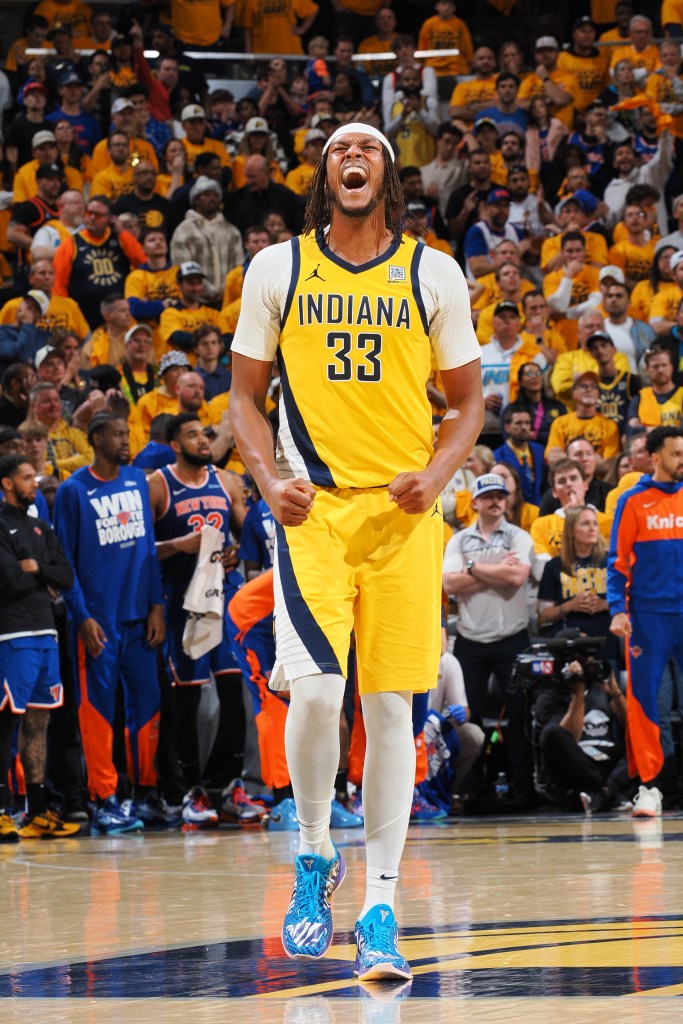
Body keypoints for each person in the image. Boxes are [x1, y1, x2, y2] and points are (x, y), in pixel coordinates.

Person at [229, 122, 483, 978]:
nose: (352, 157)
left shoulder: (430, 272)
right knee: (313, 694)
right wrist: (268, 482)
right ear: (323, 176)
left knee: (389, 714)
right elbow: (243, 397)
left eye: (367, 148)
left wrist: (438, 475)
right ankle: (312, 852)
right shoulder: (279, 267)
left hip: (404, 518)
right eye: (339, 149)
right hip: (315, 513)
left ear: (388, 177)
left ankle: (380, 906)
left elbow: (467, 403)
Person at [53, 412, 167, 833]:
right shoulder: (72, 490)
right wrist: (82, 617)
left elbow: (149, 548)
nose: (125, 439)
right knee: (98, 713)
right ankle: (104, 798)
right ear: (96, 439)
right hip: (98, 622)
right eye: (117, 434)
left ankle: (144, 793)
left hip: (140, 616)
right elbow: (64, 560)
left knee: (148, 705)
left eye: (126, 433)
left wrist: (157, 605)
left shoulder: (138, 480)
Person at [147, 412, 248, 828]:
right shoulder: (158, 484)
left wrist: (237, 552)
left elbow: (248, 536)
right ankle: (192, 791)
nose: (203, 440)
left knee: (234, 691)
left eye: (204, 434)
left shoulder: (226, 481)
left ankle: (228, 785)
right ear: (175, 445)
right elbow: (141, 549)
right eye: (192, 435)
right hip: (182, 604)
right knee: (186, 699)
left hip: (224, 598)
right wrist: (178, 545)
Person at [443, 473, 535, 802]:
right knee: (469, 717)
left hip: (512, 637)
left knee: (520, 716)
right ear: (475, 502)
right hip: (471, 640)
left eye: (500, 495)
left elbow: (517, 577)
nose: (495, 501)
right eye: (488, 496)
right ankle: (470, 791)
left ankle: (523, 790)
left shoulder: (519, 537)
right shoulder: (459, 540)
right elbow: (450, 584)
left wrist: (472, 567)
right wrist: (497, 571)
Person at [0, 454, 78, 842]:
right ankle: (1, 810)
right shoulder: (1, 524)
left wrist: (37, 569)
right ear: (7, 483)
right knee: (6, 722)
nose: (35, 482)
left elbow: (66, 575)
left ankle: (37, 811)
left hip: (46, 632)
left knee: (39, 722)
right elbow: (9, 580)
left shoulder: (40, 525)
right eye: (27, 477)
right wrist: (36, 575)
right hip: (12, 634)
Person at [608, 426, 683, 817]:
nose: (682, 460)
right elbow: (617, 562)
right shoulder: (633, 501)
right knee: (646, 703)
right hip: (648, 616)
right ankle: (650, 787)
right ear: (655, 457)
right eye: (676, 454)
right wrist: (617, 609)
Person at [52, 194, 146, 330]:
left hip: (120, 316)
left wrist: (122, 232)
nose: (91, 217)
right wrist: (65, 314)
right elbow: (58, 284)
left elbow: (142, 262)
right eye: (89, 212)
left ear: (109, 218)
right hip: (84, 317)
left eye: (98, 215)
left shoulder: (120, 239)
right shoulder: (71, 243)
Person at [170, 176, 244, 304]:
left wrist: (226, 290)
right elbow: (182, 268)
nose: (212, 198)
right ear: (196, 200)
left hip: (227, 301)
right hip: (196, 301)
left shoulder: (232, 231)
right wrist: (210, 291)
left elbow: (238, 268)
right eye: (206, 194)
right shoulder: (183, 231)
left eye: (215, 195)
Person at [546, 373, 621, 464]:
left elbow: (609, 464)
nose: (589, 389)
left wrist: (568, 457)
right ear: (573, 394)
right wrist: (592, 459)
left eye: (593, 386)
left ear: (597, 393)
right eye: (583, 386)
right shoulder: (560, 423)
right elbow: (552, 458)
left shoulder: (609, 425)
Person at [540, 435, 611, 514]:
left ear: (585, 485)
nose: (585, 458)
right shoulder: (549, 498)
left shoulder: (609, 492)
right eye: (578, 454)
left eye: (589, 453)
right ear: (567, 458)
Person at [493, 406, 545, 505]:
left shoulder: (539, 450)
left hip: (540, 508)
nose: (524, 427)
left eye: (527, 423)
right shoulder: (497, 456)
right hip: (514, 508)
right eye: (518, 423)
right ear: (507, 427)